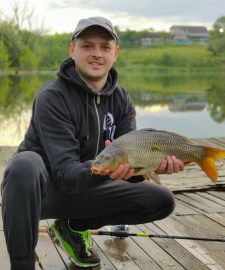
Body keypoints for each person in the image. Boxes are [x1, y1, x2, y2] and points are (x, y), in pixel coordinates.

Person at [1, 16, 184, 270]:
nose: (96, 54)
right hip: (43, 195)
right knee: (24, 164)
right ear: (72, 50)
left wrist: (149, 167)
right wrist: (106, 169)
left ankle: (73, 227)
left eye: (105, 47)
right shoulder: (52, 97)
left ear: (116, 53)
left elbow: (129, 166)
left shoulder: (122, 100)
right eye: (87, 45)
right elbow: (65, 174)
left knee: (161, 198)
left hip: (89, 186)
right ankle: (22, 265)